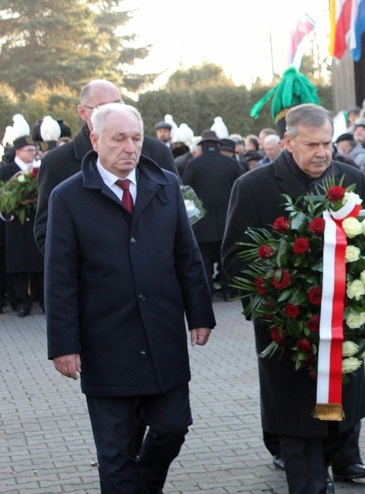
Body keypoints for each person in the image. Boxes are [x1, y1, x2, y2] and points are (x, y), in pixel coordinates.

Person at [45, 103, 215, 493]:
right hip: (106, 343)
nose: (129, 147)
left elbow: (186, 255)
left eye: (136, 138)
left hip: (162, 336)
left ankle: (144, 485)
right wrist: (63, 345)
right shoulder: (68, 197)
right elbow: (60, 278)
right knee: (115, 451)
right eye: (119, 138)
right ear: (95, 140)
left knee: (173, 426)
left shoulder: (166, 185)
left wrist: (200, 314)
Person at [222, 104, 365, 494]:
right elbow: (235, 258)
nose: (322, 153)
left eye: (327, 144)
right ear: (288, 142)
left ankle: (330, 466)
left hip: (343, 329)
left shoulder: (352, 178)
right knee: (296, 427)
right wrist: (274, 298)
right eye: (311, 145)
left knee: (339, 420)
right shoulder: (253, 187)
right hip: (287, 329)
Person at [35, 79, 177, 253]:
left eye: (118, 105)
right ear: (82, 112)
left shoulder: (156, 152)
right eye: (102, 107)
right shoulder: (57, 162)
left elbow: (179, 215)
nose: (112, 113)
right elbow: (46, 232)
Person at [182, 132, 243, 301]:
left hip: (202, 223)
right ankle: (229, 291)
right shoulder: (231, 164)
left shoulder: (193, 164)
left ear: (201, 145)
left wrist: (194, 218)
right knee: (226, 259)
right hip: (228, 221)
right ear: (218, 145)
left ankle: (207, 292)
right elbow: (240, 191)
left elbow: (186, 193)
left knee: (204, 262)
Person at [0, 136, 44, 317]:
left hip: (35, 220)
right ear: (18, 152)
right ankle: (21, 301)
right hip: (16, 223)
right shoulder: (6, 171)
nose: (32, 154)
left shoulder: (39, 169)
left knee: (38, 261)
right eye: (29, 150)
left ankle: (42, 299)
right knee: (18, 263)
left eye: (33, 150)